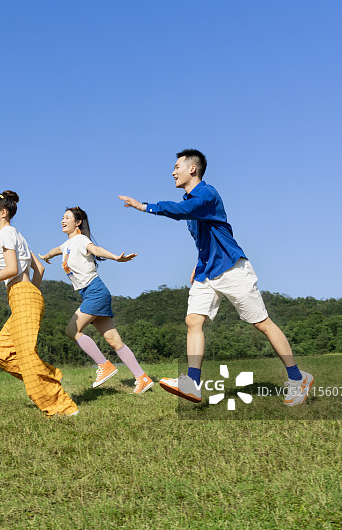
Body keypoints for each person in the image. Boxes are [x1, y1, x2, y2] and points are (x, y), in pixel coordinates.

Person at [119, 149, 314, 406]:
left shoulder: (206, 194)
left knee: (262, 324)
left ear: (192, 169)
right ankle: (192, 383)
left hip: (231, 268)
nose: (172, 171)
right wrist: (199, 263)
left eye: (177, 166)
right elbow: (204, 240)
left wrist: (145, 206)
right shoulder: (192, 201)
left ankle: (297, 377)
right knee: (193, 321)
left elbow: (181, 210)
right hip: (206, 272)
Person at [0, 191, 79, 417]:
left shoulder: (5, 233)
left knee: (26, 357)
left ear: (3, 213)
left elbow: (12, 270)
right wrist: (30, 292)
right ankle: (49, 374)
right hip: (24, 296)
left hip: (23, 296)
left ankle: (63, 408)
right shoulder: (17, 235)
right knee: (0, 352)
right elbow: (41, 268)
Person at [39, 207, 154, 394]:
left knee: (72, 330)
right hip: (90, 293)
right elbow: (55, 250)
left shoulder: (81, 240)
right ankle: (142, 378)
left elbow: (96, 249)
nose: (63, 220)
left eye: (67, 217)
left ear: (78, 222)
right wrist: (46, 256)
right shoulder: (66, 245)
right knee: (113, 340)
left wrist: (116, 258)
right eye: (62, 217)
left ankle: (104, 365)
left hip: (95, 291)